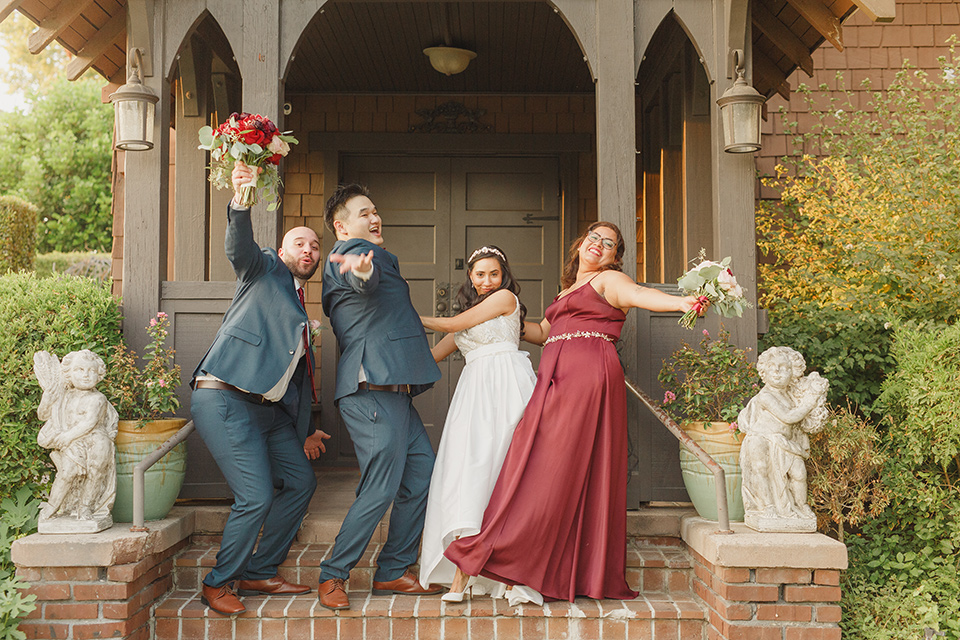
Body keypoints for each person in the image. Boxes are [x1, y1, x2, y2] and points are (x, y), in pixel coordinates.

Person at [444, 221, 701, 602]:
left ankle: (521, 559)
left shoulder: (608, 281)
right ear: (581, 244)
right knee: (540, 465)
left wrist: (680, 302)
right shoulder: (568, 289)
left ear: (615, 256)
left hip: (586, 374)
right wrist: (496, 316)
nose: (599, 244)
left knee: (548, 468)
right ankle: (534, 563)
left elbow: (639, 294)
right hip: (554, 375)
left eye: (608, 243)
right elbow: (543, 332)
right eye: (594, 237)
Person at [190, 161, 331, 616]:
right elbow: (240, 247)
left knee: (301, 482)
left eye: (315, 246)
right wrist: (241, 201)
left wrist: (305, 431)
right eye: (299, 243)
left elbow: (294, 382)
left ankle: (260, 569)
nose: (308, 250)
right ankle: (219, 580)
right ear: (282, 249)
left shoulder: (299, 302)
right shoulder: (264, 268)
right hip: (225, 396)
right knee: (256, 496)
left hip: (268, 413)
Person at [317, 183, 444, 610]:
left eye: (376, 211)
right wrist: (363, 270)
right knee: (380, 487)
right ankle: (333, 573)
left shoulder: (374, 256)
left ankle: (393, 570)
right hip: (369, 391)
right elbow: (361, 281)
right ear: (341, 226)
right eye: (364, 212)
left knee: (421, 477)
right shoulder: (347, 259)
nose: (375, 218)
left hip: (397, 396)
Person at [416, 246, 538, 602]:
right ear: (470, 276)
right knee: (470, 476)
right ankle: (462, 575)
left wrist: (405, 314)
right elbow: (430, 357)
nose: (487, 280)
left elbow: (452, 325)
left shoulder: (504, 299)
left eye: (494, 273)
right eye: (480, 274)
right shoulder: (469, 320)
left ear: (504, 277)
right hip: (475, 398)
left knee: (506, 474)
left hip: (508, 389)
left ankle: (514, 573)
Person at [738, 346, 828, 523]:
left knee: (799, 473)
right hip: (761, 438)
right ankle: (767, 506)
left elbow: (801, 422)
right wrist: (810, 401)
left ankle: (801, 504)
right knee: (761, 469)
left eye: (784, 368)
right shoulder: (765, 396)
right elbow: (788, 417)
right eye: (772, 367)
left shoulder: (793, 395)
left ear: (793, 372)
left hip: (784, 441)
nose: (777, 371)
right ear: (764, 371)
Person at [35, 349, 119, 523]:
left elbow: (89, 422)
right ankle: (52, 507)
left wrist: (67, 437)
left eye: (92, 371)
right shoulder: (63, 395)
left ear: (99, 375)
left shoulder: (98, 398)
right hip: (74, 441)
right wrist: (47, 399)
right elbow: (43, 415)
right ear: (68, 373)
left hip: (96, 440)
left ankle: (86, 508)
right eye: (80, 370)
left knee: (96, 472)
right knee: (67, 472)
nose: (86, 375)